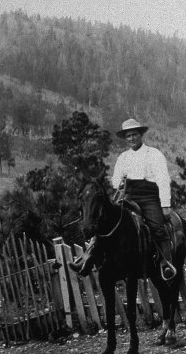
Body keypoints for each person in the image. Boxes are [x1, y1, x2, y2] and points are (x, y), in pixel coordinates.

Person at [70, 118, 178, 279]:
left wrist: (165, 205)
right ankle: (87, 258)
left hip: (149, 196)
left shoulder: (154, 154)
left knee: (157, 227)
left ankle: (165, 263)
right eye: (128, 136)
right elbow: (115, 181)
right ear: (125, 138)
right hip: (129, 195)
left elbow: (163, 180)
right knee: (107, 221)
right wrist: (119, 180)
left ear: (141, 135)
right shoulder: (123, 158)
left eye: (134, 134)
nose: (132, 138)